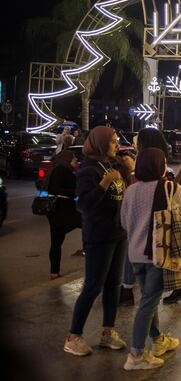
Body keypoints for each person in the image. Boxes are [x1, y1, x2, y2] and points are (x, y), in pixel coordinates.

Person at [64, 126, 134, 357]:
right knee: (93, 286)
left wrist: (128, 172)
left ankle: (108, 332)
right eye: (112, 141)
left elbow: (126, 196)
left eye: (116, 141)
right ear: (101, 144)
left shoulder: (113, 166)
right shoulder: (89, 171)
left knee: (113, 285)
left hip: (118, 233)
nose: (116, 145)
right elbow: (82, 205)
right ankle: (73, 336)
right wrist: (104, 184)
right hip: (98, 237)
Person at [120, 147, 181, 370]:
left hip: (135, 256)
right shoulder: (169, 187)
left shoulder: (131, 190)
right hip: (157, 256)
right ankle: (136, 356)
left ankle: (158, 340)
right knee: (147, 304)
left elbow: (123, 222)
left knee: (149, 302)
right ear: (160, 166)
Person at [45, 150, 81, 279]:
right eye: (74, 158)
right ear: (67, 159)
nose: (76, 160)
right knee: (87, 223)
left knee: (56, 241)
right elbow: (54, 189)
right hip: (62, 210)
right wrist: (74, 192)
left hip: (60, 210)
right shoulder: (61, 170)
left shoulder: (63, 169)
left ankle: (54, 272)